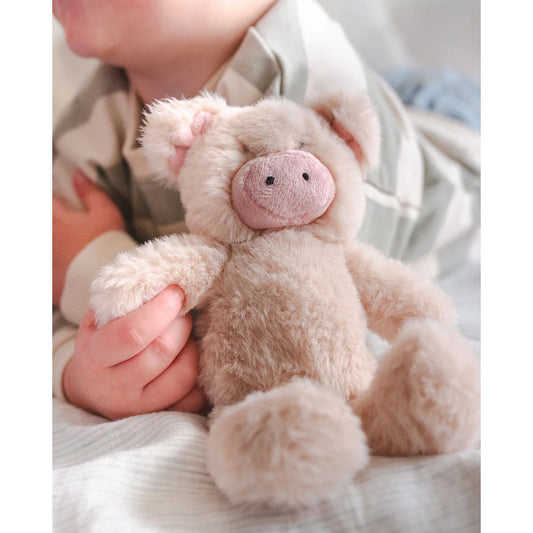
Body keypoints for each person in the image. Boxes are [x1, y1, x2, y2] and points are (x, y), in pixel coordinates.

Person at [53, 0, 480, 420]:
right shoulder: (90, 116)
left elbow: (312, 314)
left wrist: (90, 260)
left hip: (454, 137)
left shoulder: (317, 86)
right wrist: (77, 376)